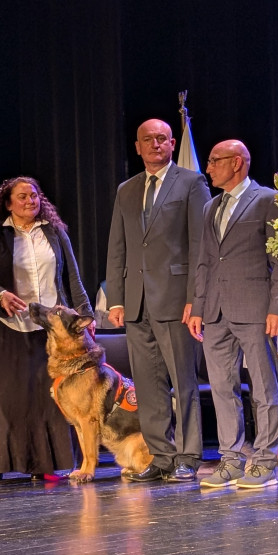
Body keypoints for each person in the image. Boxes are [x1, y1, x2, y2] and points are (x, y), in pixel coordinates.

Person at [105, 119, 209, 483]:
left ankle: (188, 456)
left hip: (175, 300)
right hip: (136, 303)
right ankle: (160, 456)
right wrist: (115, 299)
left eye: (162, 139)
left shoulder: (191, 182)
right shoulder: (127, 190)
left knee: (183, 382)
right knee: (148, 387)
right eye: (147, 139)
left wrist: (196, 299)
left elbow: (201, 244)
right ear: (137, 146)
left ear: (171, 142)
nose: (155, 144)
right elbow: (117, 247)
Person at [189, 140, 278, 488]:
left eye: (214, 161)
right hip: (216, 312)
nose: (209, 168)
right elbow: (204, 261)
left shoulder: (267, 200)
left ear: (237, 163)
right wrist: (198, 307)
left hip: (255, 308)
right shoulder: (211, 207)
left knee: (263, 386)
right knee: (222, 387)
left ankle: (265, 459)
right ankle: (231, 459)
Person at [0, 176, 91, 481]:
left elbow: (73, 278)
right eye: (23, 197)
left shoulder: (54, 231)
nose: (30, 201)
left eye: (35, 196)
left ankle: (48, 465)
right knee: (10, 396)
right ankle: (3, 463)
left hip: (52, 329)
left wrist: (86, 317)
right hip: (12, 323)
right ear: (8, 203)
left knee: (48, 396)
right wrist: (0, 294)